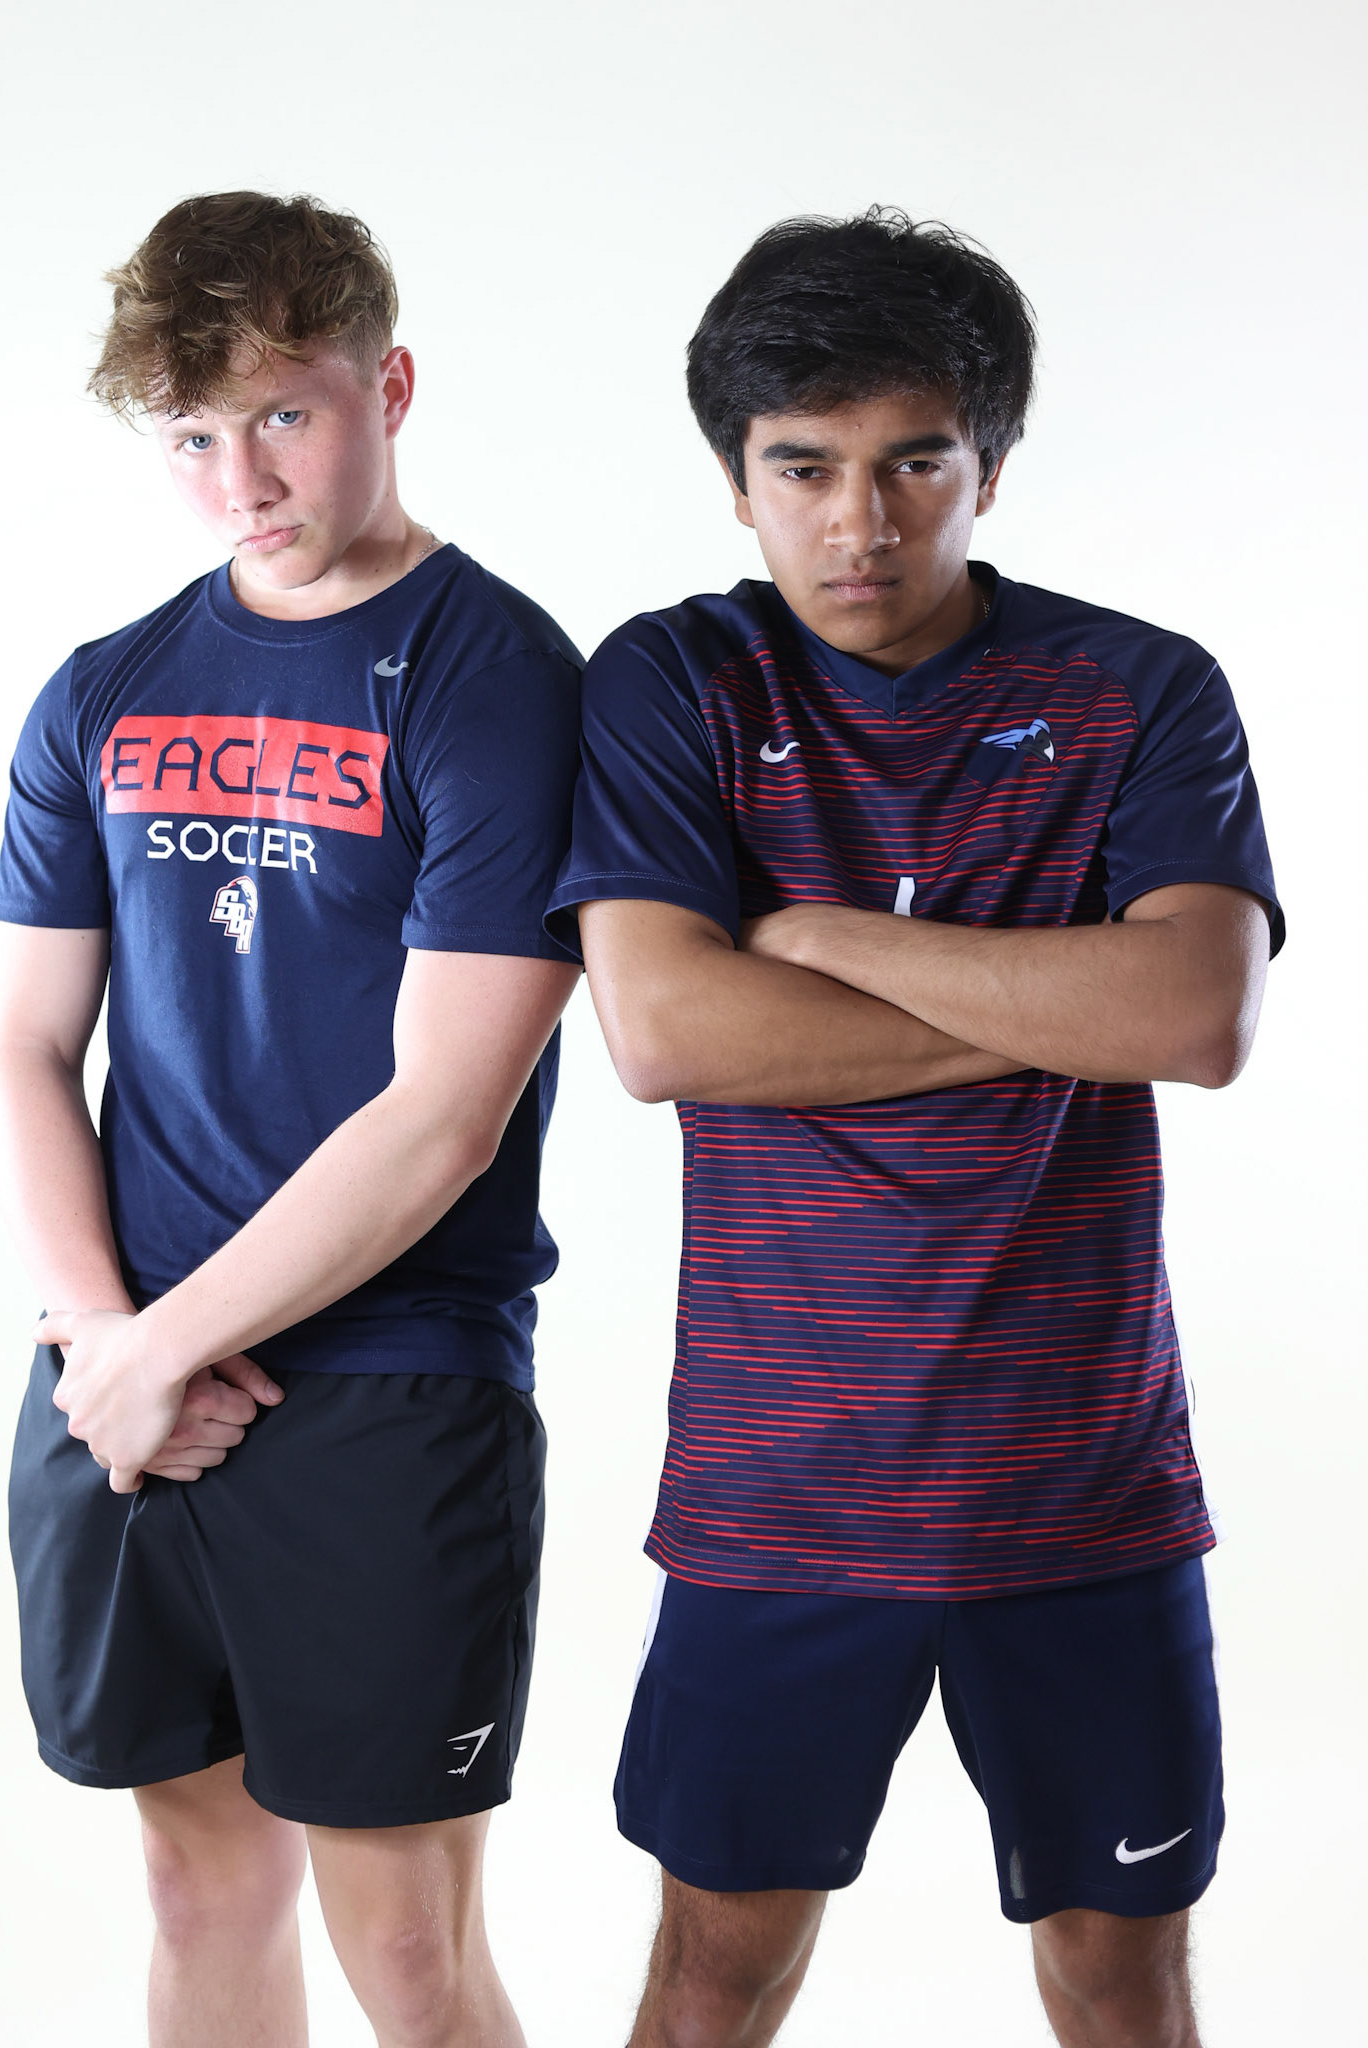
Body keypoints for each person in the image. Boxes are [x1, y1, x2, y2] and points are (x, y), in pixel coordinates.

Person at [548, 208, 1280, 2048]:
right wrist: (1051, 1005)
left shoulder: (1137, 689)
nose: (858, 524)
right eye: (802, 468)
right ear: (736, 483)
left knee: (1119, 1974)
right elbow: (663, 1030)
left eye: (912, 464)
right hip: (779, 1488)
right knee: (714, 1971)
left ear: (989, 468)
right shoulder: (673, 682)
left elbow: (1191, 1017)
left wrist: (823, 941)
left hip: (1082, 1485)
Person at [0, 189, 581, 2048]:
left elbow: (445, 1113)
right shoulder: (104, 689)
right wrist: (106, 1344)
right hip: (120, 1384)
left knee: (404, 1948)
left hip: (388, 1379)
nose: (238, 480)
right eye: (190, 436)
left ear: (385, 387)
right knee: (198, 1890)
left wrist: (161, 1349)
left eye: (282, 415)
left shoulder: (499, 681)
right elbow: (26, 1046)